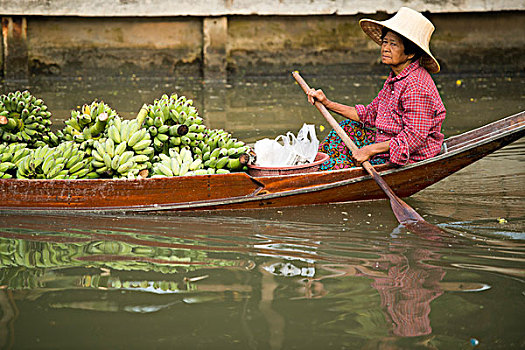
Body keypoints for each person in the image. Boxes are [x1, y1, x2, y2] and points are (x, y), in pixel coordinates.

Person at [307, 7, 446, 170]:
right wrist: (327, 103)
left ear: (409, 54)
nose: (385, 48)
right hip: (386, 143)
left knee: (336, 165)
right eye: (385, 42)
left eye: (393, 44)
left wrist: (369, 150)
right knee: (346, 127)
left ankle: (317, 172)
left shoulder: (416, 86)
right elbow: (370, 114)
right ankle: (311, 166)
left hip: (408, 155)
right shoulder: (397, 77)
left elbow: (413, 137)